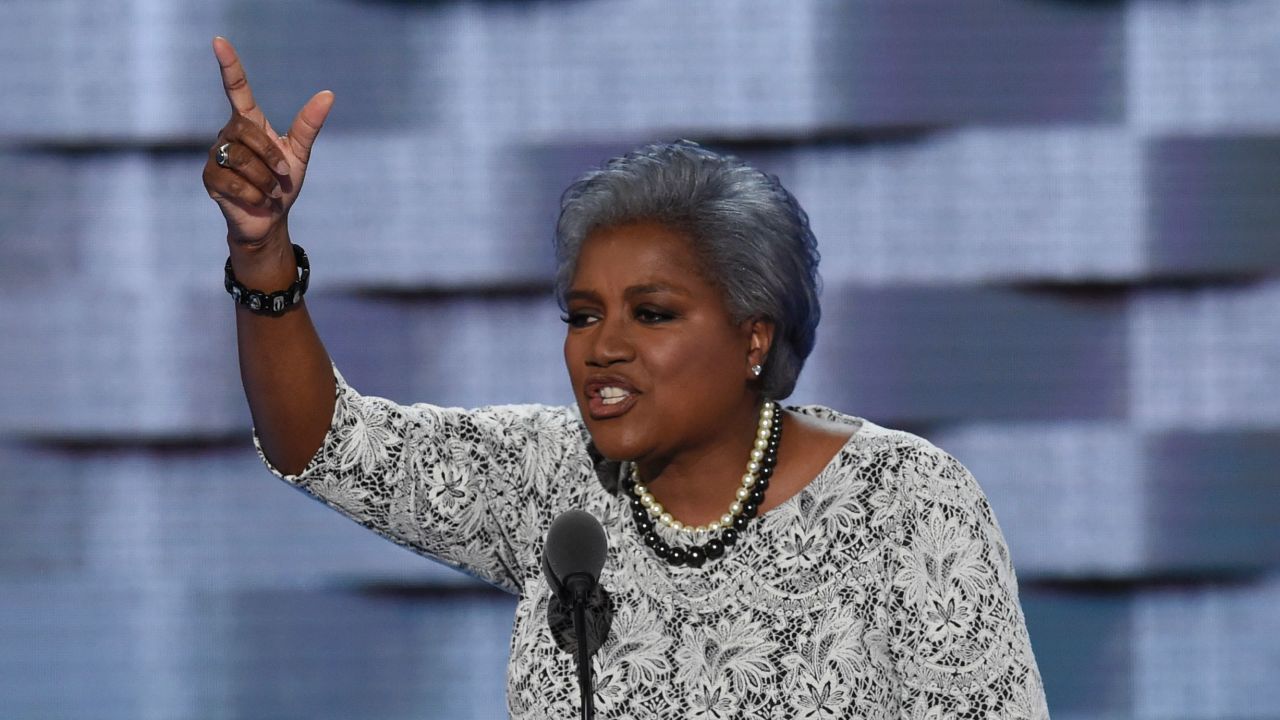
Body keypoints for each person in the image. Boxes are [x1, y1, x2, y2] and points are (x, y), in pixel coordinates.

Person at [203, 36, 1049, 719]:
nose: (600, 347)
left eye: (651, 314)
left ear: (754, 336)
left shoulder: (907, 505)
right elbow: (325, 443)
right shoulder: (552, 481)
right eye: (581, 314)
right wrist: (261, 249)